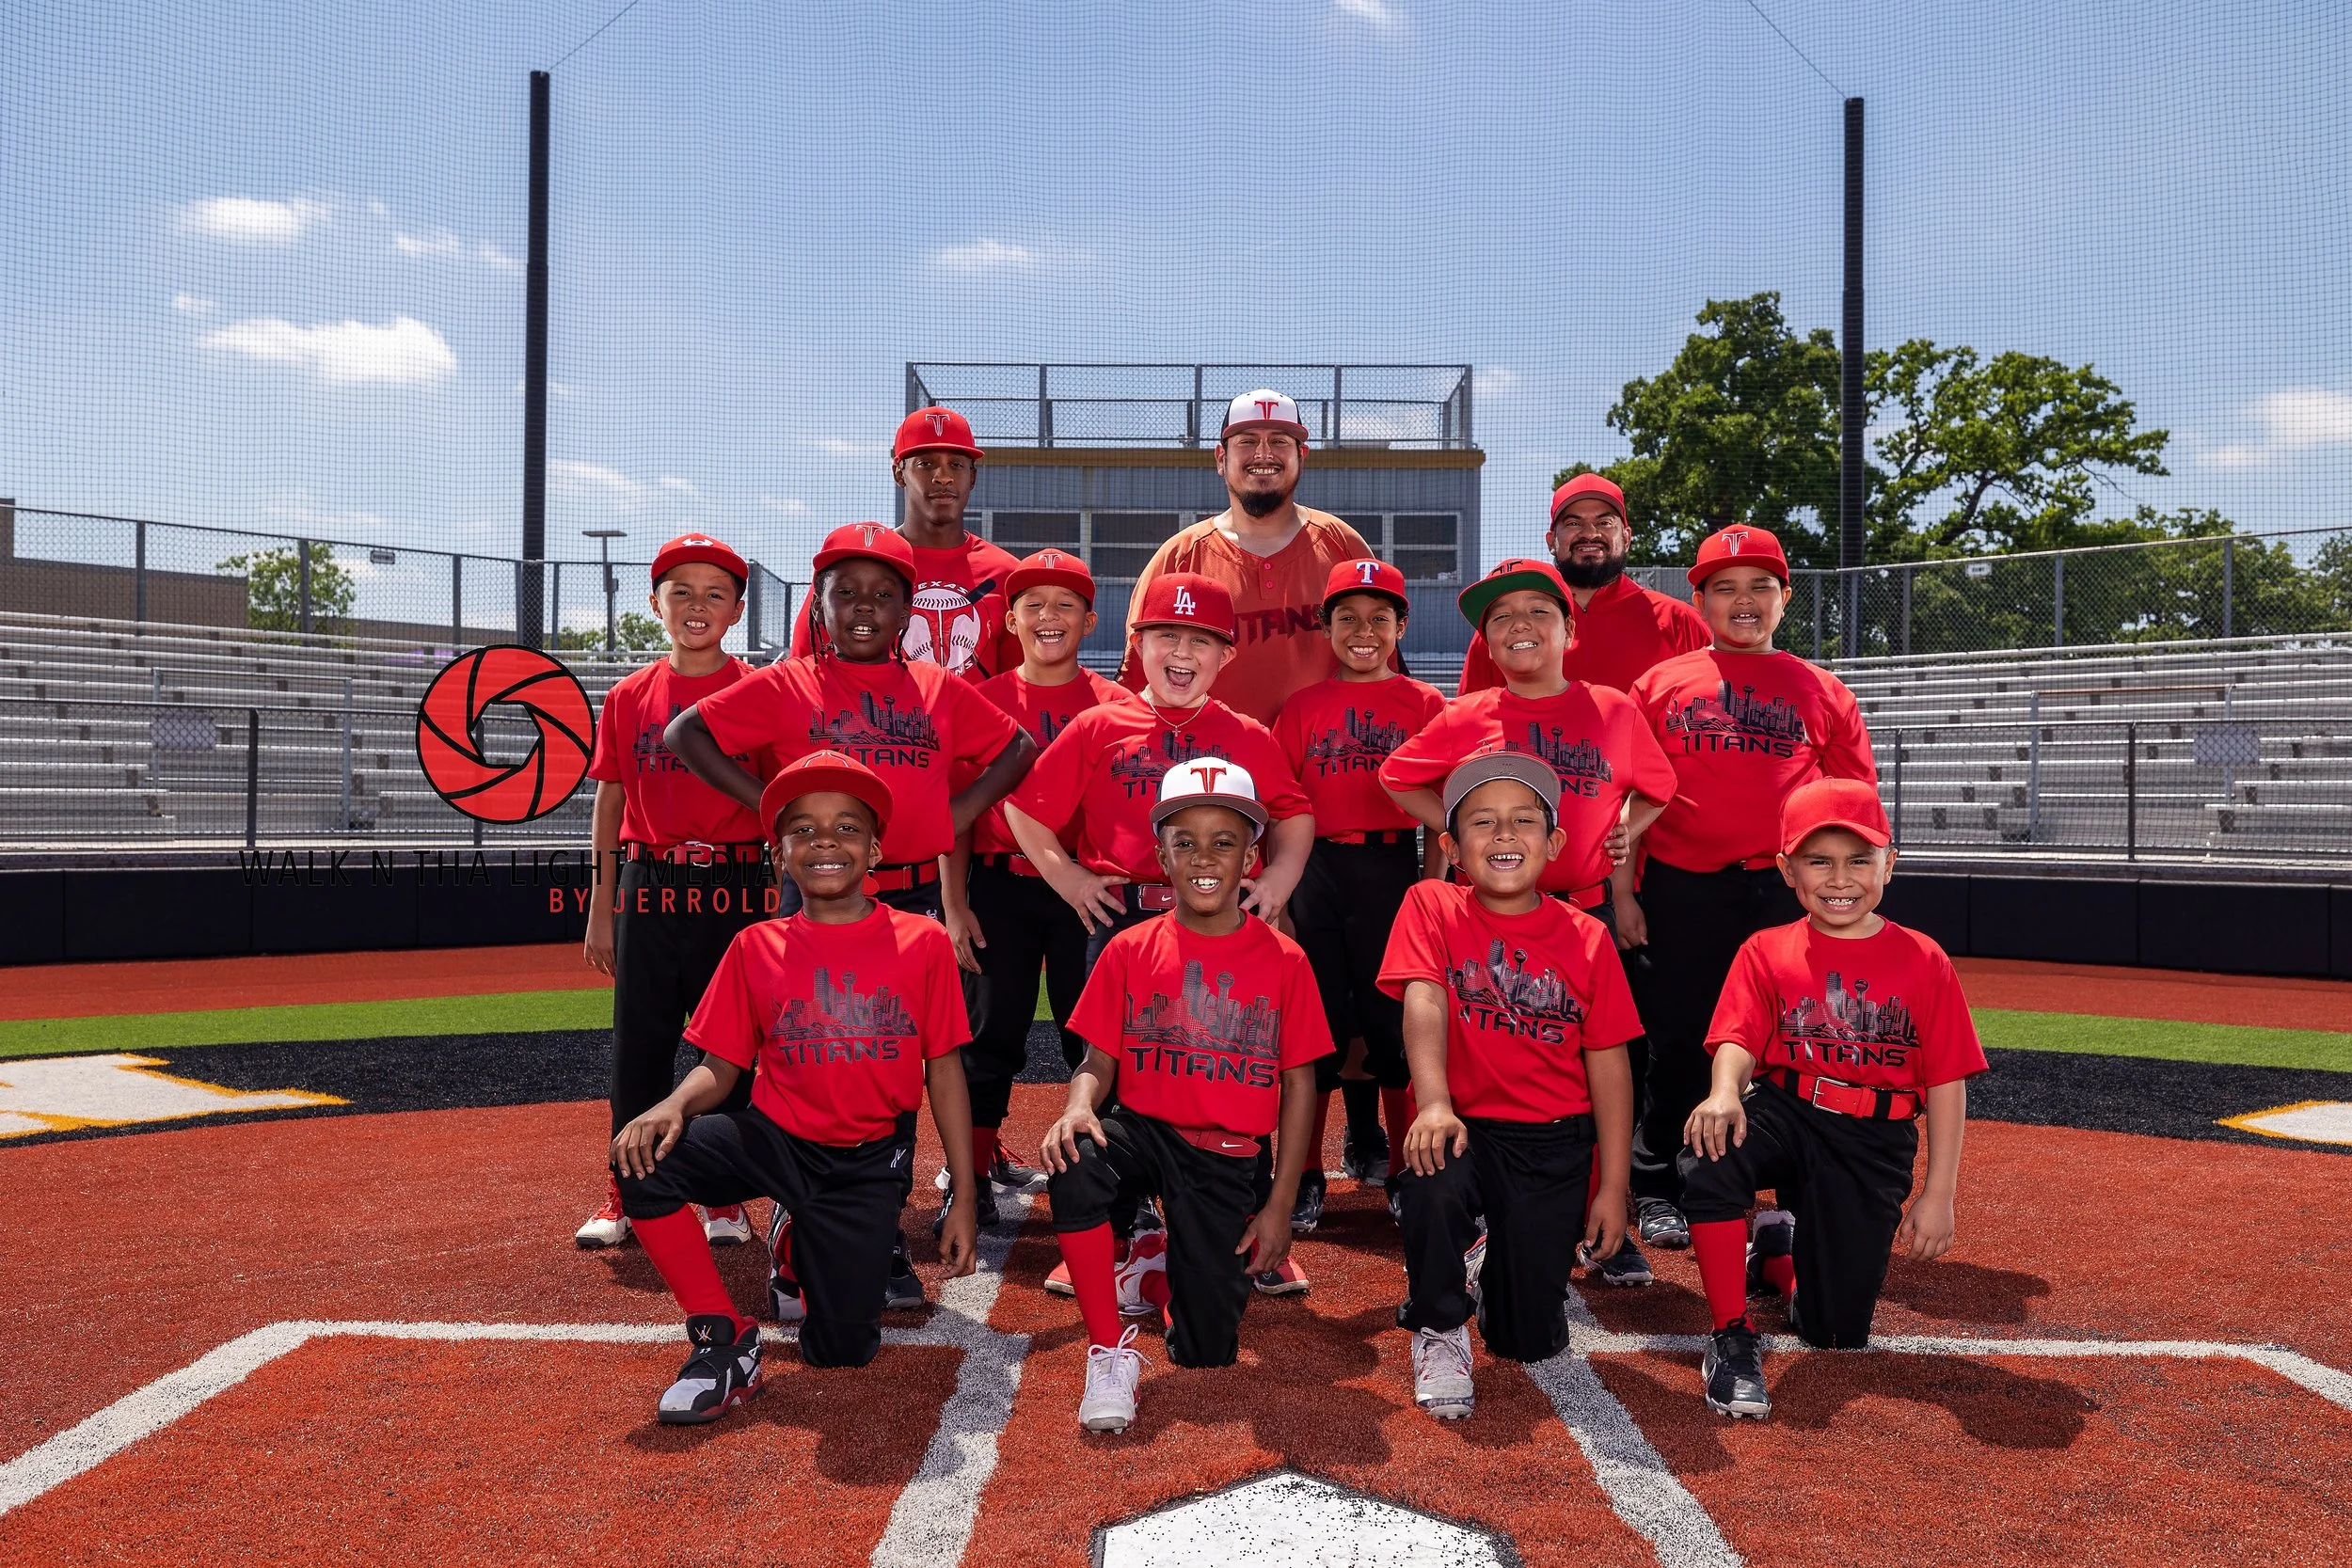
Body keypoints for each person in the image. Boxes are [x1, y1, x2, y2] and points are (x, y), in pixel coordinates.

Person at [665, 520, 1033, 1309]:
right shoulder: (789, 683)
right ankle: (795, 1225)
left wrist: (953, 809)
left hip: (910, 892)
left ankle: (873, 1231)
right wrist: (771, 810)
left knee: (889, 1063)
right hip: (819, 894)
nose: (864, 607)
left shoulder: (939, 690)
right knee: (804, 1054)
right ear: (818, 606)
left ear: (908, 611)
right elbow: (686, 732)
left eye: (883, 594)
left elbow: (1018, 747)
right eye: (845, 593)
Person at [610, 751, 980, 1424]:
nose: (824, 842)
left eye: (845, 828)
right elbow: (719, 1067)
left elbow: (945, 1069)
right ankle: (723, 1335)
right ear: (780, 853)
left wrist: (964, 1191)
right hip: (776, 1138)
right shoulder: (756, 945)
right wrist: (669, 1104)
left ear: (875, 849)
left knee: (841, 1351)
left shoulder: (922, 941)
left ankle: (795, 1235)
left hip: (868, 1160)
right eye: (803, 830)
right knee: (641, 1156)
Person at [1007, 570, 1318, 1296]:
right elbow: (1027, 810)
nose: (1182, 654)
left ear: (1226, 656)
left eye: (1201, 642)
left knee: (1234, 1067)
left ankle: (1248, 1223)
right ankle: (1115, 1230)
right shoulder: (1099, 724)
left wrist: (1276, 882)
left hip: (1221, 926)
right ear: (1135, 642)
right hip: (1127, 921)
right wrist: (1071, 880)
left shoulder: (1245, 734)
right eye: (1166, 636)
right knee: (1113, 1076)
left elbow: (1294, 812)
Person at [1381, 555, 1676, 1285]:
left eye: (1537, 612)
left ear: (1569, 630)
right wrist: (1455, 831)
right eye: (1501, 617)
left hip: (1582, 916)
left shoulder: (1613, 708)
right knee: (1505, 1063)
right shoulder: (1469, 715)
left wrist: (1623, 830)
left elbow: (1660, 788)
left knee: (1606, 1065)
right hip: (1493, 921)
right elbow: (1396, 777)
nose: (1520, 626)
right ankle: (1488, 1210)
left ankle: (1605, 1215)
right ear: (1485, 640)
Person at [1037, 760, 1334, 1433]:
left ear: (1251, 858)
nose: (1205, 857)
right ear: (1161, 856)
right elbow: (1096, 1062)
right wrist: (1080, 1103)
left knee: (1205, 1354)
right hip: (1144, 1129)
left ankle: (1158, 1271)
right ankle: (1108, 1349)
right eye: (1187, 841)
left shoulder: (1284, 959)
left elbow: (1300, 1085)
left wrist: (1280, 1204)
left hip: (1228, 1155)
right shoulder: (1128, 949)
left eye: (1224, 841)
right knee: (1077, 1155)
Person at [1678, 776, 1985, 1421]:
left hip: (1875, 1139)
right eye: (1819, 860)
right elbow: (1735, 1035)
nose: (1839, 877)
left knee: (1836, 1333)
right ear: (1788, 869)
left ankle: (1778, 1259)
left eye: (1858, 858)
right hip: (1788, 1110)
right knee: (1709, 1151)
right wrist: (1723, 1091)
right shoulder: (1767, 949)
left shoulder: (1924, 959)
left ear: (1889, 864)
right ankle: (1732, 1334)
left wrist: (1939, 1192)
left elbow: (1947, 1083)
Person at [1622, 525, 1877, 1261]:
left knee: (1793, 1044)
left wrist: (1841, 898)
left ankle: (1786, 1189)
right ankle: (1661, 1183)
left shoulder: (1822, 690)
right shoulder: (1661, 684)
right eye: (1725, 587)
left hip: (1784, 893)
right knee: (1678, 1042)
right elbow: (1630, 798)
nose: (1744, 601)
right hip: (1681, 887)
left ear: (1785, 598)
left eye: (1760, 586)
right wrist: (1627, 893)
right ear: (1697, 599)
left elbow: (1853, 808)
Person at [1379, 753, 1638, 1418]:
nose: (1503, 836)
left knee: (1528, 1341)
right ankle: (1439, 1321)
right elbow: (1425, 1003)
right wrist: (1433, 1099)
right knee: (1433, 1181)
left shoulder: (1588, 937)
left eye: (1524, 821)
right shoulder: (1430, 903)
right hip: (1462, 1122)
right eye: (1483, 822)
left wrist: (1611, 1184)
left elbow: (1609, 1062)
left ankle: (1496, 1263)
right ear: (1450, 846)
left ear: (1553, 844)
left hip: (1552, 1141)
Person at [575, 532, 770, 1252]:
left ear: (737, 609)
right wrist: (601, 905)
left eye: (715, 592)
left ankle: (721, 1194)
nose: (697, 605)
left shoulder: (758, 690)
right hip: (649, 879)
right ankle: (628, 1188)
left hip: (738, 877)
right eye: (680, 591)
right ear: (655, 604)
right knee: (641, 1044)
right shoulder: (630, 695)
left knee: (731, 1046)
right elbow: (609, 799)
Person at [938, 548, 1139, 1232]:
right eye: (1034, 605)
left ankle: (1112, 1180)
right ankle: (970, 1173)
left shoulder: (1118, 704)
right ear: (1011, 619)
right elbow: (957, 809)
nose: (1048, 617)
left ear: (1089, 618)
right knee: (989, 1038)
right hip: (1001, 888)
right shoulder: (982, 700)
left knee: (1102, 1041)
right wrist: (955, 902)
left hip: (1092, 894)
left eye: (1064, 605)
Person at [1272, 558, 1446, 1227]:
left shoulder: (1427, 704)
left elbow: (1447, 809)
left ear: (1402, 625)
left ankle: (1406, 1171)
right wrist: (1283, 901)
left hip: (1393, 869)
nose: (1363, 630)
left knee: (1396, 1026)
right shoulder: (1304, 707)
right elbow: (1282, 806)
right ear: (1327, 627)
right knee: (1317, 1028)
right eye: (1347, 617)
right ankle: (1308, 1170)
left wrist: (1432, 891)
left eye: (1379, 617)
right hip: (1317, 869)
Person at [1116, 390, 1377, 726]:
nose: (1264, 453)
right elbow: (1136, 682)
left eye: (1280, 441)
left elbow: (1385, 664)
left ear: (1302, 456)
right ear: (1221, 458)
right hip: (1207, 766)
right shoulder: (1180, 556)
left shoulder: (1343, 545)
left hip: (1328, 763)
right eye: (1247, 441)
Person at [788, 406, 1021, 682]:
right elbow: (805, 670)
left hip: (975, 724)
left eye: (956, 464)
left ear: (972, 477)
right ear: (899, 473)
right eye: (926, 464)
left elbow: (1016, 687)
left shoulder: (1006, 573)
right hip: (869, 722)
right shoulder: (855, 562)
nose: (943, 477)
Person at [1455, 473, 1708, 697]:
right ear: (1552, 540)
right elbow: (1469, 724)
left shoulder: (1679, 621)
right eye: (1573, 523)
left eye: (1604, 523)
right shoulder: (1506, 626)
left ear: (1627, 537)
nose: (1590, 533)